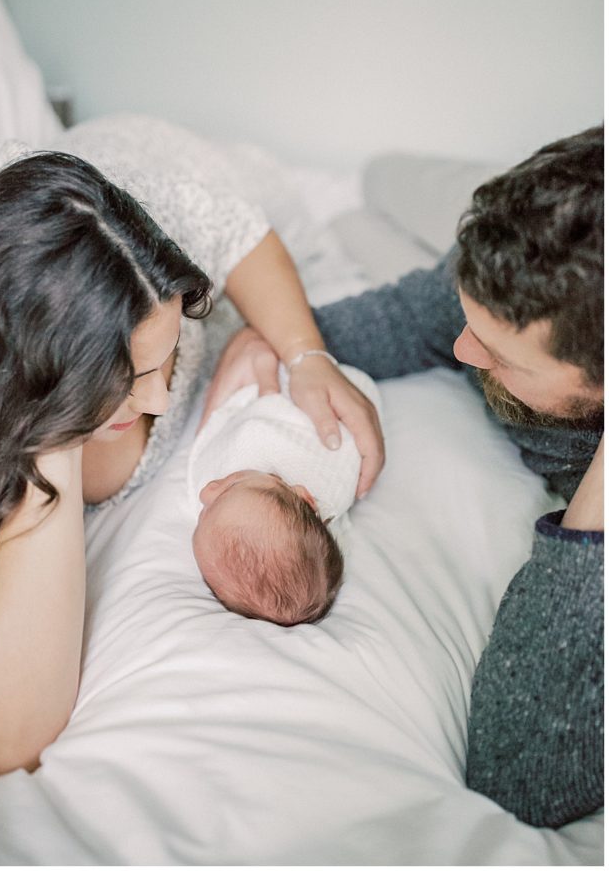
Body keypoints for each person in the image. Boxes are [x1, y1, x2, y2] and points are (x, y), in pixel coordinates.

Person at [0, 120, 384, 779]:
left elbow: (235, 235)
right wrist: (51, 447)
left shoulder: (135, 246)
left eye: (164, 363)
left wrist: (305, 355)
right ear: (24, 378)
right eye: (125, 382)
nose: (161, 402)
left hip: (159, 149)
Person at [205, 126, 603, 828]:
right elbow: (414, 317)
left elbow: (523, 778)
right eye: (470, 316)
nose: (459, 348)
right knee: (383, 179)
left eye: (501, 355)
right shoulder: (504, 276)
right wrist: (289, 340)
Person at [188, 363, 380, 625]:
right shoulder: (332, 481)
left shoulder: (228, 479)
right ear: (307, 498)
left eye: (202, 517)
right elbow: (357, 418)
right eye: (229, 488)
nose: (205, 492)